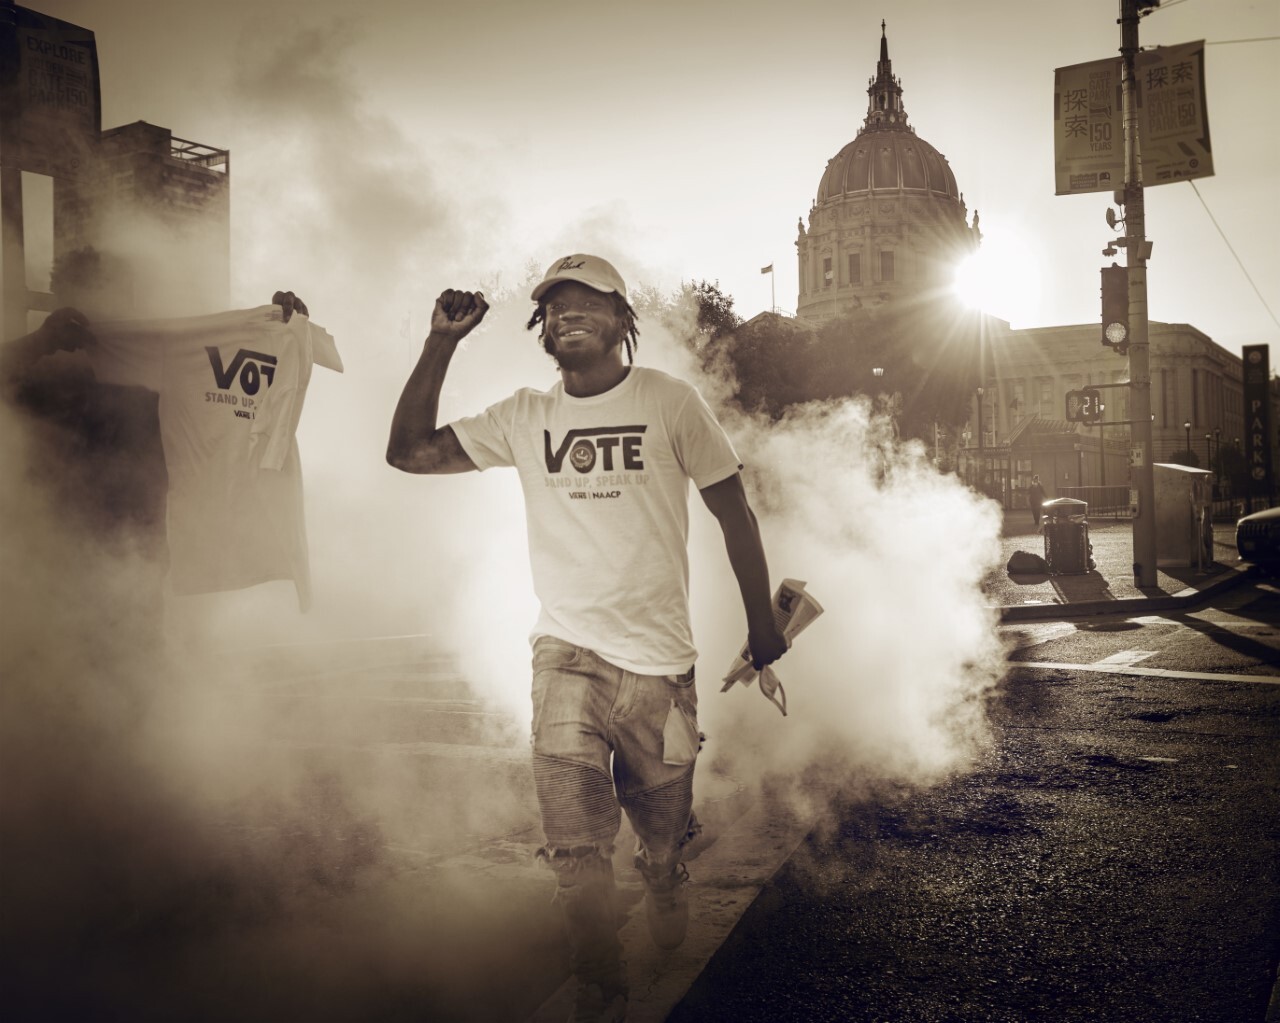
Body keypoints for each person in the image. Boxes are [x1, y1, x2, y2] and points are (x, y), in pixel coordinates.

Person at [386, 254, 788, 1022]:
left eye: (586, 301)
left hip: (663, 668)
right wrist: (441, 343)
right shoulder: (524, 414)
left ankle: (666, 874)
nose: (567, 311)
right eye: (554, 303)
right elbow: (408, 453)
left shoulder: (670, 401)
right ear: (542, 325)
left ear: (621, 319)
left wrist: (763, 627)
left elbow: (734, 512)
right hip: (564, 657)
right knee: (574, 851)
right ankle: (602, 985)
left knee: (663, 832)